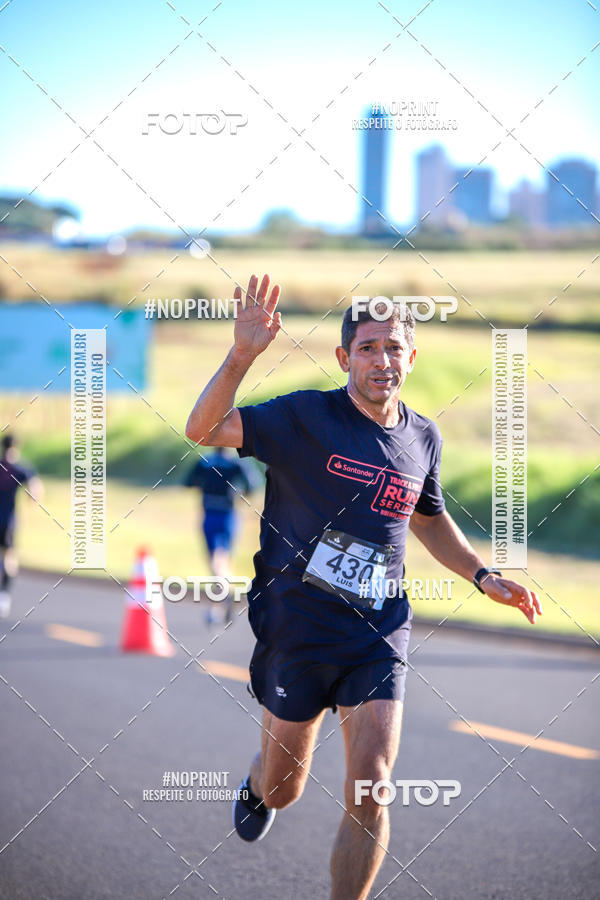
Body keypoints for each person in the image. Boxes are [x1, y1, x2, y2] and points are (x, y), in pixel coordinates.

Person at [185, 274, 542, 900]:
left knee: (372, 782)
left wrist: (482, 575)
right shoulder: (303, 417)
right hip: (297, 625)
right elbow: (203, 430)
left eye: (394, 347)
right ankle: (259, 777)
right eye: (369, 348)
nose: (383, 360)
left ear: (412, 355)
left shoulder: (422, 437)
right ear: (345, 357)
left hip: (378, 629)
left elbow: (426, 518)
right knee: (283, 788)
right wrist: (242, 354)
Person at [184, 446, 257, 625]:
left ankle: (220, 602)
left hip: (210, 513)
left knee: (216, 560)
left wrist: (204, 485)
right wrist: (237, 492)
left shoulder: (205, 461)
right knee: (224, 559)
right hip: (229, 514)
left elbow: (188, 482)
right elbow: (252, 485)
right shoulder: (237, 462)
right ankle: (221, 604)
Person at [0, 434, 43, 618]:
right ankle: (4, 595)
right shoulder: (19, 469)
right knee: (10, 559)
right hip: (8, 521)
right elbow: (35, 490)